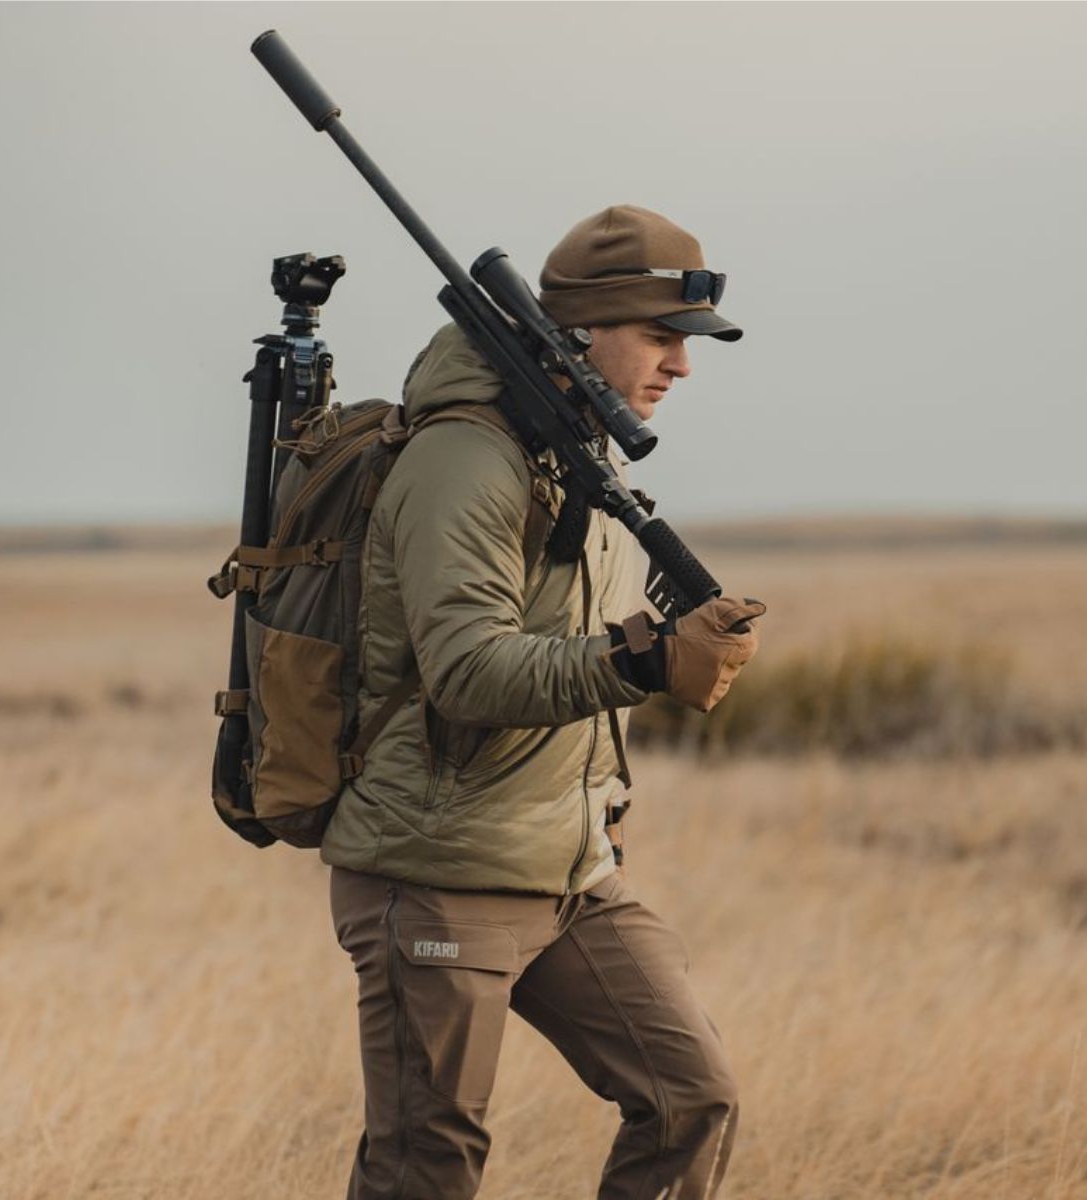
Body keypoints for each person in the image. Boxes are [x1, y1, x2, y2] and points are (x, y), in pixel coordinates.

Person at [320, 205, 765, 1200]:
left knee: (692, 1098)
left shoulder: (578, 454)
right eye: (660, 337)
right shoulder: (464, 459)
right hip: (433, 870)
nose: (680, 367)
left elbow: (571, 646)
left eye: (684, 343)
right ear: (576, 333)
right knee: (426, 1166)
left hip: (566, 872)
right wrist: (645, 666)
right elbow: (469, 673)